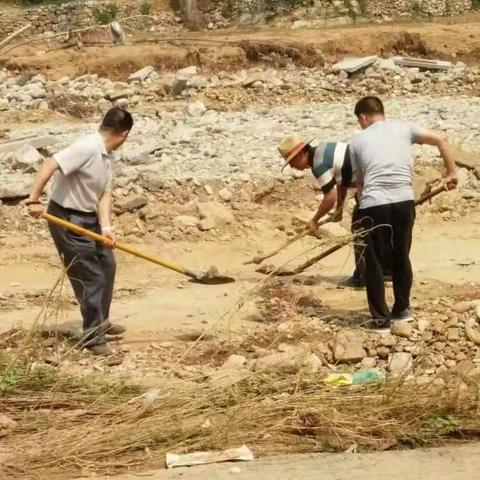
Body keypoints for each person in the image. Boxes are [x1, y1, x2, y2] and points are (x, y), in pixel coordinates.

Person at [26, 107, 134, 356]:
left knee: (107, 265)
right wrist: (33, 199)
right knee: (90, 276)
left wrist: (106, 227)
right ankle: (93, 338)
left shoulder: (106, 154)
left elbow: (103, 193)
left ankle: (101, 322)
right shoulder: (87, 147)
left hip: (89, 219)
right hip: (66, 218)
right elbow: (50, 163)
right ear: (124, 134)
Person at [350, 96, 458, 330]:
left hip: (374, 204)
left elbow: (360, 183)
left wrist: (360, 207)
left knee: (375, 261)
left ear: (362, 117)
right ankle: (402, 309)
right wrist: (451, 172)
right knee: (401, 254)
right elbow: (441, 140)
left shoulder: (357, 141)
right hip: (403, 201)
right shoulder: (405, 128)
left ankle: (380, 320)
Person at [278, 135, 382, 288]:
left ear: (300, 154)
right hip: (374, 177)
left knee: (360, 229)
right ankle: (383, 272)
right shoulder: (323, 150)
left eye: (291, 162)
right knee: (372, 228)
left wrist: (314, 220)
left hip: (371, 181)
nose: (292, 167)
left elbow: (329, 197)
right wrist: (339, 209)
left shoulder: (318, 164)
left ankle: (362, 277)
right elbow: (340, 180)